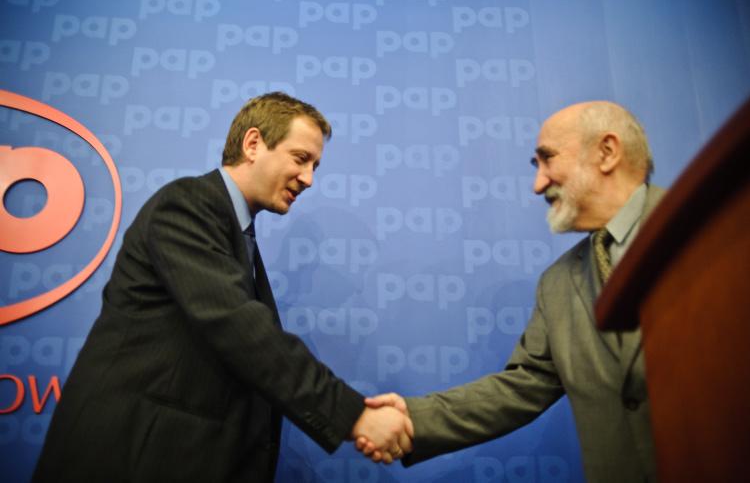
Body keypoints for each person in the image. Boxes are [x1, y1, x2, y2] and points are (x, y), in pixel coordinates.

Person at [33, 92, 412, 483]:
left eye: (315, 166)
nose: (309, 179)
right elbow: (240, 327)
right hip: (124, 459)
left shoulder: (236, 234)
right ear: (253, 144)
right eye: (300, 158)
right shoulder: (187, 206)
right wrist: (353, 415)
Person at [358, 101, 664, 482]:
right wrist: (414, 420)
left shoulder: (712, 235)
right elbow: (524, 386)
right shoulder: (557, 284)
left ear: (607, 152)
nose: (538, 185)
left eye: (547, 159)